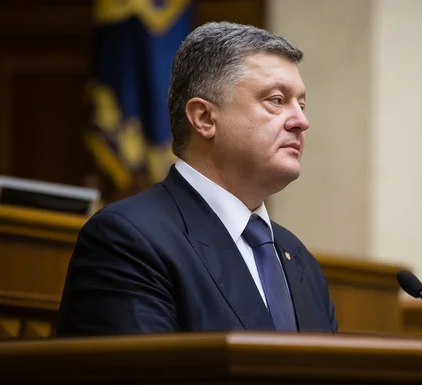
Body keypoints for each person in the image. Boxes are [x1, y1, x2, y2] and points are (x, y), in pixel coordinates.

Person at [55, 22, 338, 336]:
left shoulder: (299, 260)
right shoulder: (128, 239)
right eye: (276, 100)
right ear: (204, 118)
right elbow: (141, 381)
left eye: (301, 104)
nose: (301, 121)